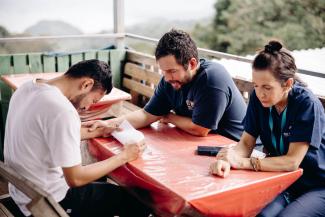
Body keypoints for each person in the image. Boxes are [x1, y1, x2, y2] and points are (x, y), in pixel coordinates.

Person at [4, 59, 151, 217]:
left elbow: (50, 132)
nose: (88, 107)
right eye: (94, 100)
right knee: (137, 201)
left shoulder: (27, 88)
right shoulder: (62, 110)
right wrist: (124, 156)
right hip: (48, 203)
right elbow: (76, 179)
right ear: (86, 84)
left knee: (101, 181)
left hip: (22, 194)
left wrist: (99, 131)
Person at [210, 40, 325, 216]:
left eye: (267, 87)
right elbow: (246, 143)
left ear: (287, 84)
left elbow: (291, 162)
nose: (260, 93)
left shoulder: (306, 104)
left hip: (317, 184)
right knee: (259, 214)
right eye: (256, 86)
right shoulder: (259, 99)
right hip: (282, 178)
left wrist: (242, 162)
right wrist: (228, 159)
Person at [86, 29, 246, 141]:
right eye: (163, 71)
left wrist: (167, 116)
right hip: (201, 144)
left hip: (236, 149)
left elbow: (200, 129)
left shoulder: (211, 78)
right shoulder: (169, 81)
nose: (167, 78)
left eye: (172, 71)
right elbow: (146, 115)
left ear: (191, 63)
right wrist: (107, 124)